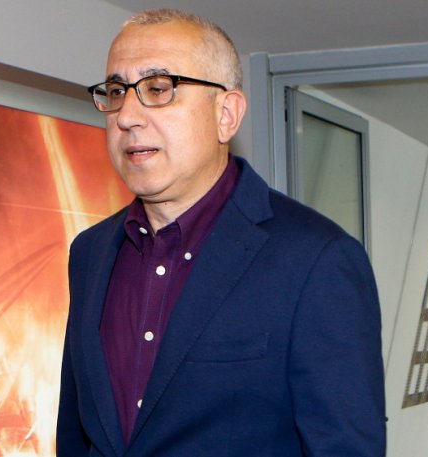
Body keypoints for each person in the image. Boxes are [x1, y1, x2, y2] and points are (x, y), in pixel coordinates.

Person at [56, 8, 386, 456]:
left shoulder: (316, 260)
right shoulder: (90, 253)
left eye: (158, 88)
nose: (127, 115)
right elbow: (76, 435)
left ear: (226, 114)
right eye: (116, 91)